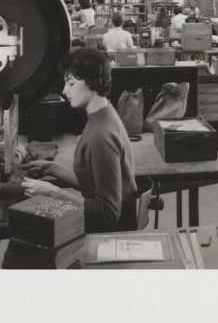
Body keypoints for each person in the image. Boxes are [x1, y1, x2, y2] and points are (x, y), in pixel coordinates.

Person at [21, 48, 138, 233]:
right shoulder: (101, 114)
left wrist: (54, 193)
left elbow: (108, 213)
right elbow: (92, 180)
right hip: (106, 223)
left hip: (109, 233)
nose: (64, 90)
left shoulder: (101, 135)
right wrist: (50, 167)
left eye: (71, 83)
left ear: (92, 82)